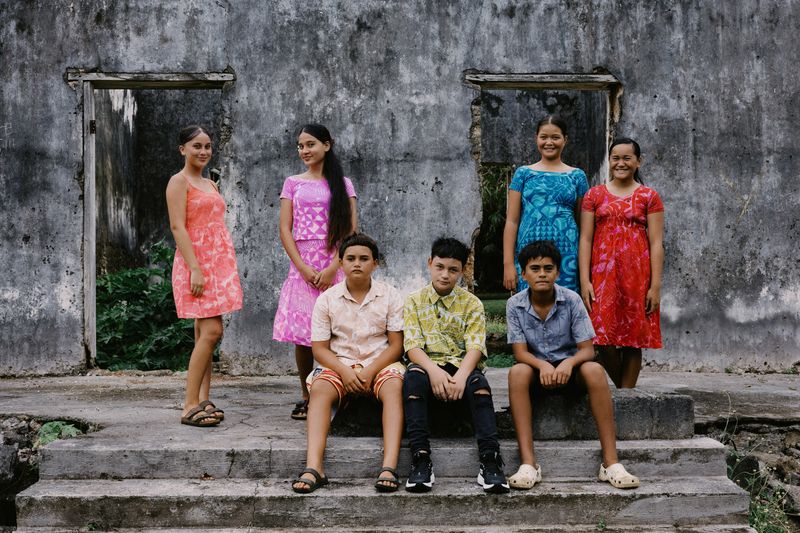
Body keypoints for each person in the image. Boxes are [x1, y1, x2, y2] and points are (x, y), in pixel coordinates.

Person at [506, 240, 639, 490]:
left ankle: (610, 462)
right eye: (535, 269)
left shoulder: (572, 300)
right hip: (537, 374)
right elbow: (520, 353)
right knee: (517, 372)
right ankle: (528, 464)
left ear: (557, 272)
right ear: (523, 273)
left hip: (571, 373)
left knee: (595, 369)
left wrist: (568, 363)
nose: (542, 274)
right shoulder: (515, 305)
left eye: (548, 268)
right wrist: (542, 366)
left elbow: (587, 350)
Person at [291, 233, 405, 494]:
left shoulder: (390, 296)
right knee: (318, 389)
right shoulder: (326, 300)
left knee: (394, 387)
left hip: (379, 363)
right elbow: (320, 349)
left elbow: (396, 346)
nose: (357, 264)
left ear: (375, 263)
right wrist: (344, 371)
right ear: (340, 263)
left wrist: (369, 370)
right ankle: (314, 467)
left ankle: (388, 466)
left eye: (364, 259)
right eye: (350, 258)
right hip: (339, 364)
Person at [403, 237, 509, 494]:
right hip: (427, 367)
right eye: (439, 267)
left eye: (453, 270)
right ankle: (420, 458)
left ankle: (490, 459)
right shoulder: (414, 301)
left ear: (462, 271)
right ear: (429, 264)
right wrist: (435, 371)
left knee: (479, 384)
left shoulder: (471, 303)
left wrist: (461, 377)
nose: (445, 275)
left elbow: (475, 346)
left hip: (462, 369)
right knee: (413, 378)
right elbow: (412, 346)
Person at [273, 124, 358, 420]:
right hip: (303, 266)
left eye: (310, 144)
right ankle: (307, 395)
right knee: (304, 337)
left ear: (327, 145)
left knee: (336, 332)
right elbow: (285, 229)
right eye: (300, 146)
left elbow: (350, 230)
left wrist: (334, 265)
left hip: (335, 263)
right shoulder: (293, 183)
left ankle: (339, 393)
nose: (304, 151)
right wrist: (303, 267)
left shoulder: (343, 184)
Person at [166, 125, 243, 427]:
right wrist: (195, 268)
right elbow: (177, 227)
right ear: (182, 149)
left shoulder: (210, 182)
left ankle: (203, 399)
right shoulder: (178, 181)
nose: (203, 151)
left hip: (218, 263)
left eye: (208, 146)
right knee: (212, 332)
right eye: (196, 146)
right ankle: (188, 405)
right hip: (196, 262)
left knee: (205, 333)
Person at [579, 138, 664, 388]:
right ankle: (625, 391)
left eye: (627, 158)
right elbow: (585, 239)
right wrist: (585, 280)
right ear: (609, 160)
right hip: (602, 278)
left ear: (638, 162)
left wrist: (655, 286)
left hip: (638, 277)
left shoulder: (649, 196)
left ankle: (625, 396)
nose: (621, 163)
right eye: (616, 157)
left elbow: (657, 243)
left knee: (633, 339)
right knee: (601, 339)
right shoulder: (594, 195)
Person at [503, 115, 589, 293]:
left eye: (555, 137)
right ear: (536, 138)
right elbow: (512, 221)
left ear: (565, 140)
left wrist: (585, 271)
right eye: (544, 137)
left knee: (566, 306)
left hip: (568, 253)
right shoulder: (523, 174)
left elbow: (583, 224)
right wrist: (508, 263)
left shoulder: (577, 176)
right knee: (529, 308)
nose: (549, 142)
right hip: (528, 253)